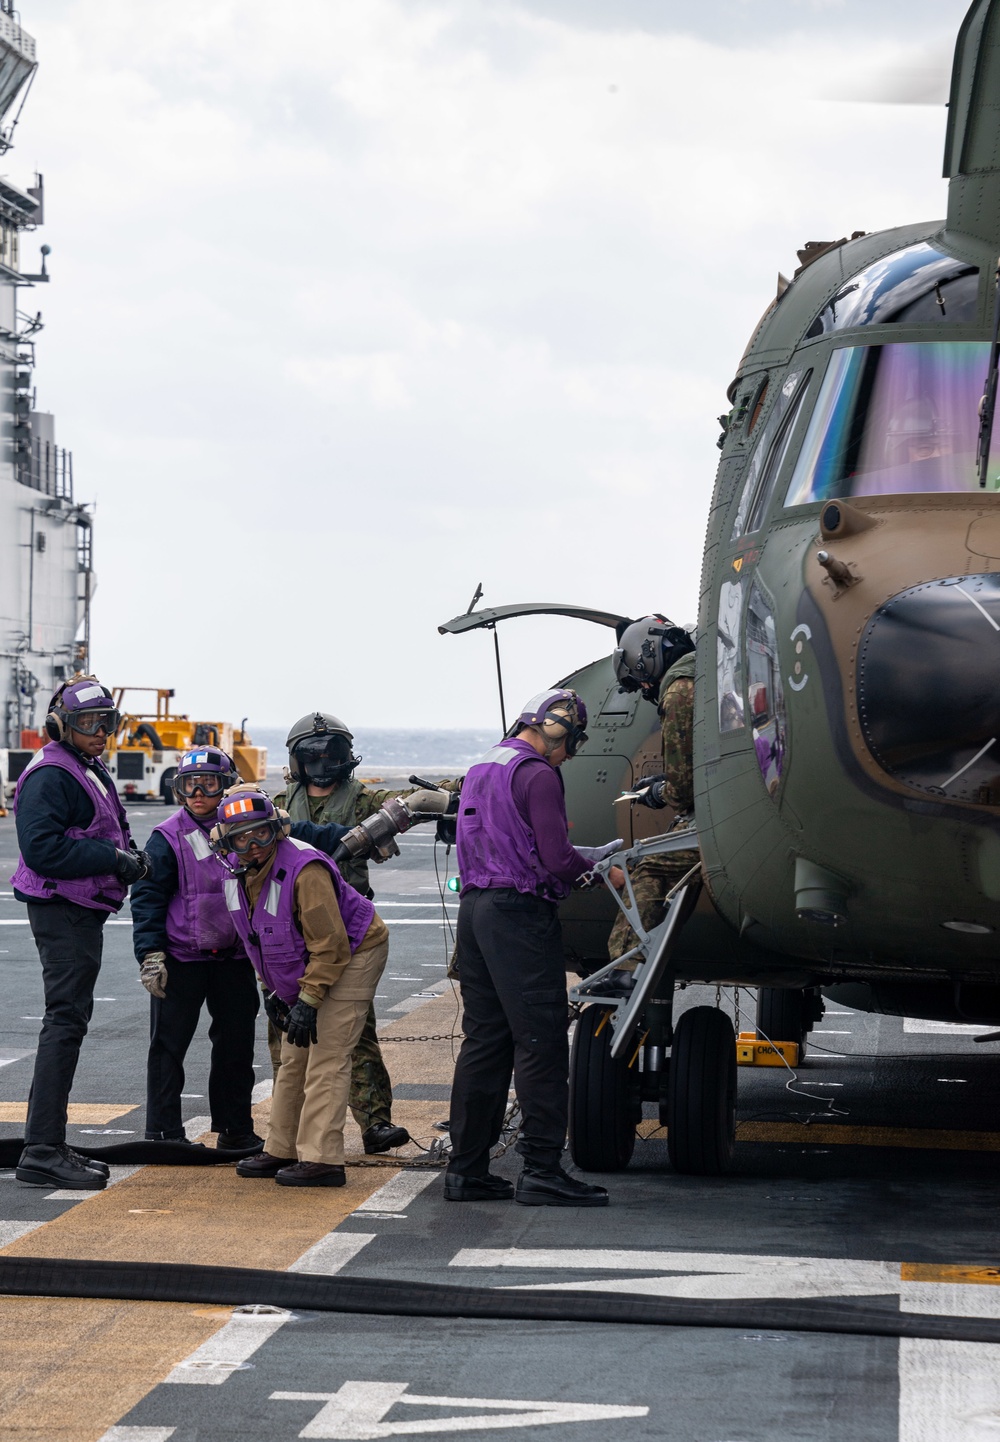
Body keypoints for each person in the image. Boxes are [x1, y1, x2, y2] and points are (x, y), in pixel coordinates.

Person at [445, 689, 622, 1208]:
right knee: (540, 1040)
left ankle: (467, 1170)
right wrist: (600, 870)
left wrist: (578, 855)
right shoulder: (540, 774)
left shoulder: (484, 765)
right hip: (518, 918)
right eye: (573, 743)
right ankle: (543, 1168)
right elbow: (553, 858)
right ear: (556, 729)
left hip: (476, 913)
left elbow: (509, 839)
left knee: (485, 1041)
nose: (570, 754)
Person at [131, 745, 354, 1151]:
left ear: (228, 784)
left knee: (235, 1047)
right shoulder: (166, 838)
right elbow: (146, 897)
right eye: (188, 784)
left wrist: (363, 836)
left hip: (235, 958)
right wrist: (151, 953)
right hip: (181, 960)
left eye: (209, 783)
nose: (198, 792)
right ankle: (163, 1132)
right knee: (167, 1046)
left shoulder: (245, 822)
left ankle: (234, 1129)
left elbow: (304, 834)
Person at [273, 712, 453, 1155]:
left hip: (345, 929)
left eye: (329, 753)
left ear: (345, 757)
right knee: (285, 1037)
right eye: (311, 755)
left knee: (357, 1029)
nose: (321, 762)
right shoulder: (277, 803)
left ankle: (375, 1123)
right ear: (297, 761)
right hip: (290, 933)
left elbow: (412, 803)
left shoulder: (364, 801)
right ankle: (287, 1132)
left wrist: (453, 790)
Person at [210, 787, 390, 1188]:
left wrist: (308, 1000)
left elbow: (331, 945)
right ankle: (282, 1148)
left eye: (262, 833)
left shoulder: (305, 870)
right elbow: (259, 940)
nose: (254, 845)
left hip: (355, 951)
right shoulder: (234, 876)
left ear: (277, 829)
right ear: (226, 842)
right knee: (295, 1057)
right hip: (312, 962)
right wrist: (272, 990)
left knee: (327, 1056)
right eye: (242, 838)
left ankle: (323, 1160)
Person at [11, 676, 150, 1191]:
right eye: (90, 723)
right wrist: (114, 860)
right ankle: (42, 1149)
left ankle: (47, 1143)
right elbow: (42, 850)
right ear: (60, 725)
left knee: (68, 1022)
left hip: (77, 909)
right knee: (64, 1023)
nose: (101, 733)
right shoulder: (52, 774)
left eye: (108, 723)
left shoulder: (83, 766)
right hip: (62, 910)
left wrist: (129, 856)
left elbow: (102, 826)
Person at [596, 615, 699, 995]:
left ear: (647, 658)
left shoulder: (679, 689)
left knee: (650, 865)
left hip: (722, 824)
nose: (645, 688)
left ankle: (625, 967)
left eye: (640, 680)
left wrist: (660, 792)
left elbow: (685, 791)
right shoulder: (706, 670)